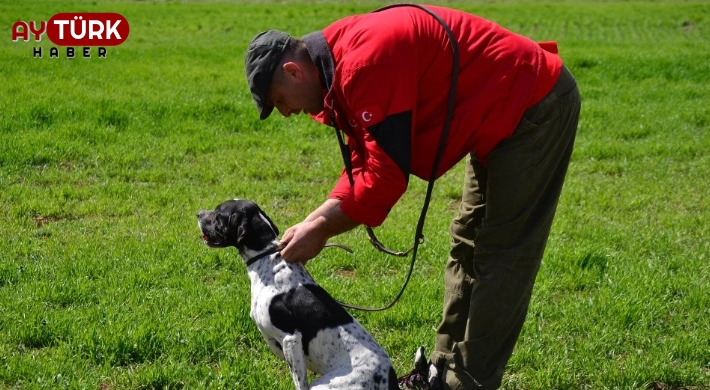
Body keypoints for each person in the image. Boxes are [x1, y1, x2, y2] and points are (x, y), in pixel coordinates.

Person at [244, 4, 580, 390]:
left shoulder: (363, 63)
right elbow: (362, 162)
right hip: (497, 115)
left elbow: (385, 179)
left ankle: (466, 384)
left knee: (502, 257)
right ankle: (440, 372)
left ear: (292, 71)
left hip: (534, 103)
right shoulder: (333, 62)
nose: (287, 113)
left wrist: (321, 229)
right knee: (467, 241)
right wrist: (314, 219)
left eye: (280, 101)